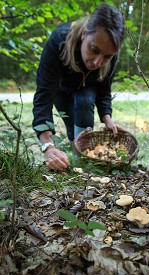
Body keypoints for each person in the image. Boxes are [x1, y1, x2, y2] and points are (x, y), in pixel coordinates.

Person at [32, 3, 125, 171]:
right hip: (61, 89)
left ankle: (84, 159)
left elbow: (104, 91)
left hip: (88, 90)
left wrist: (107, 118)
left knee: (85, 100)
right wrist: (48, 146)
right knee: (71, 130)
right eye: (94, 49)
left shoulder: (110, 55)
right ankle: (71, 153)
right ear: (84, 35)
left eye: (107, 57)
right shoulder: (58, 41)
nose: (98, 62)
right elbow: (44, 96)